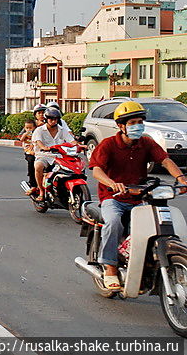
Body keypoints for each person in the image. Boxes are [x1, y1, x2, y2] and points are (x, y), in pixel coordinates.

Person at [90, 101, 187, 291]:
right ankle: (110, 266)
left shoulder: (146, 143)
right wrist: (112, 183)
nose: (138, 126)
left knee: (156, 225)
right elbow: (97, 171)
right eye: (133, 122)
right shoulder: (108, 144)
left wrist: (181, 178)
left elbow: (165, 160)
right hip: (113, 198)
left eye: (140, 121)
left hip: (140, 197)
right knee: (114, 222)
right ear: (121, 126)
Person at [31, 107, 74, 200]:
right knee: (38, 166)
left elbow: (72, 141)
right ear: (46, 119)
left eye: (55, 119)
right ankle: (41, 191)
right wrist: (44, 148)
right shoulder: (39, 130)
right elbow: (39, 142)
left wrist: (79, 146)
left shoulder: (62, 130)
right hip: (44, 155)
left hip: (59, 156)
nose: (53, 121)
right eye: (51, 119)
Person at [18, 119, 38, 192]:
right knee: (31, 160)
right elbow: (21, 140)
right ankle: (32, 183)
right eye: (27, 128)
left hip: (38, 149)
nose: (28, 129)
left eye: (30, 128)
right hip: (28, 150)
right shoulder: (25, 133)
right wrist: (25, 134)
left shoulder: (37, 133)